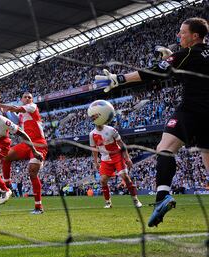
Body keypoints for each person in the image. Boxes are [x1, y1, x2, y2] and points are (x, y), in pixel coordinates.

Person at [94, 17, 209, 227]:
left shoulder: (188, 53)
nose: (178, 35)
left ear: (195, 36)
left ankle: (162, 196)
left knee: (165, 149)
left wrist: (119, 79)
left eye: (183, 33)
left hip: (191, 110)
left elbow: (154, 73)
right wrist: (173, 58)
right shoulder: (199, 53)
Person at [0, 92, 48, 214]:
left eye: (30, 97)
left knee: (32, 171)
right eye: (26, 97)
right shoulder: (20, 116)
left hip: (39, 143)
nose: (28, 99)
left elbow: (15, 108)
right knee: (6, 156)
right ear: (21, 99)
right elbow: (9, 119)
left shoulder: (32, 107)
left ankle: (38, 207)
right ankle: (7, 186)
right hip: (26, 144)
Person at [89, 123, 142, 208]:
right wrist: (96, 162)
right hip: (105, 159)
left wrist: (127, 158)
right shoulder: (92, 134)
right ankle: (108, 202)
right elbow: (94, 149)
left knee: (125, 177)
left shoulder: (111, 129)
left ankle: (135, 199)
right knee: (103, 180)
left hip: (117, 156)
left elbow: (121, 144)